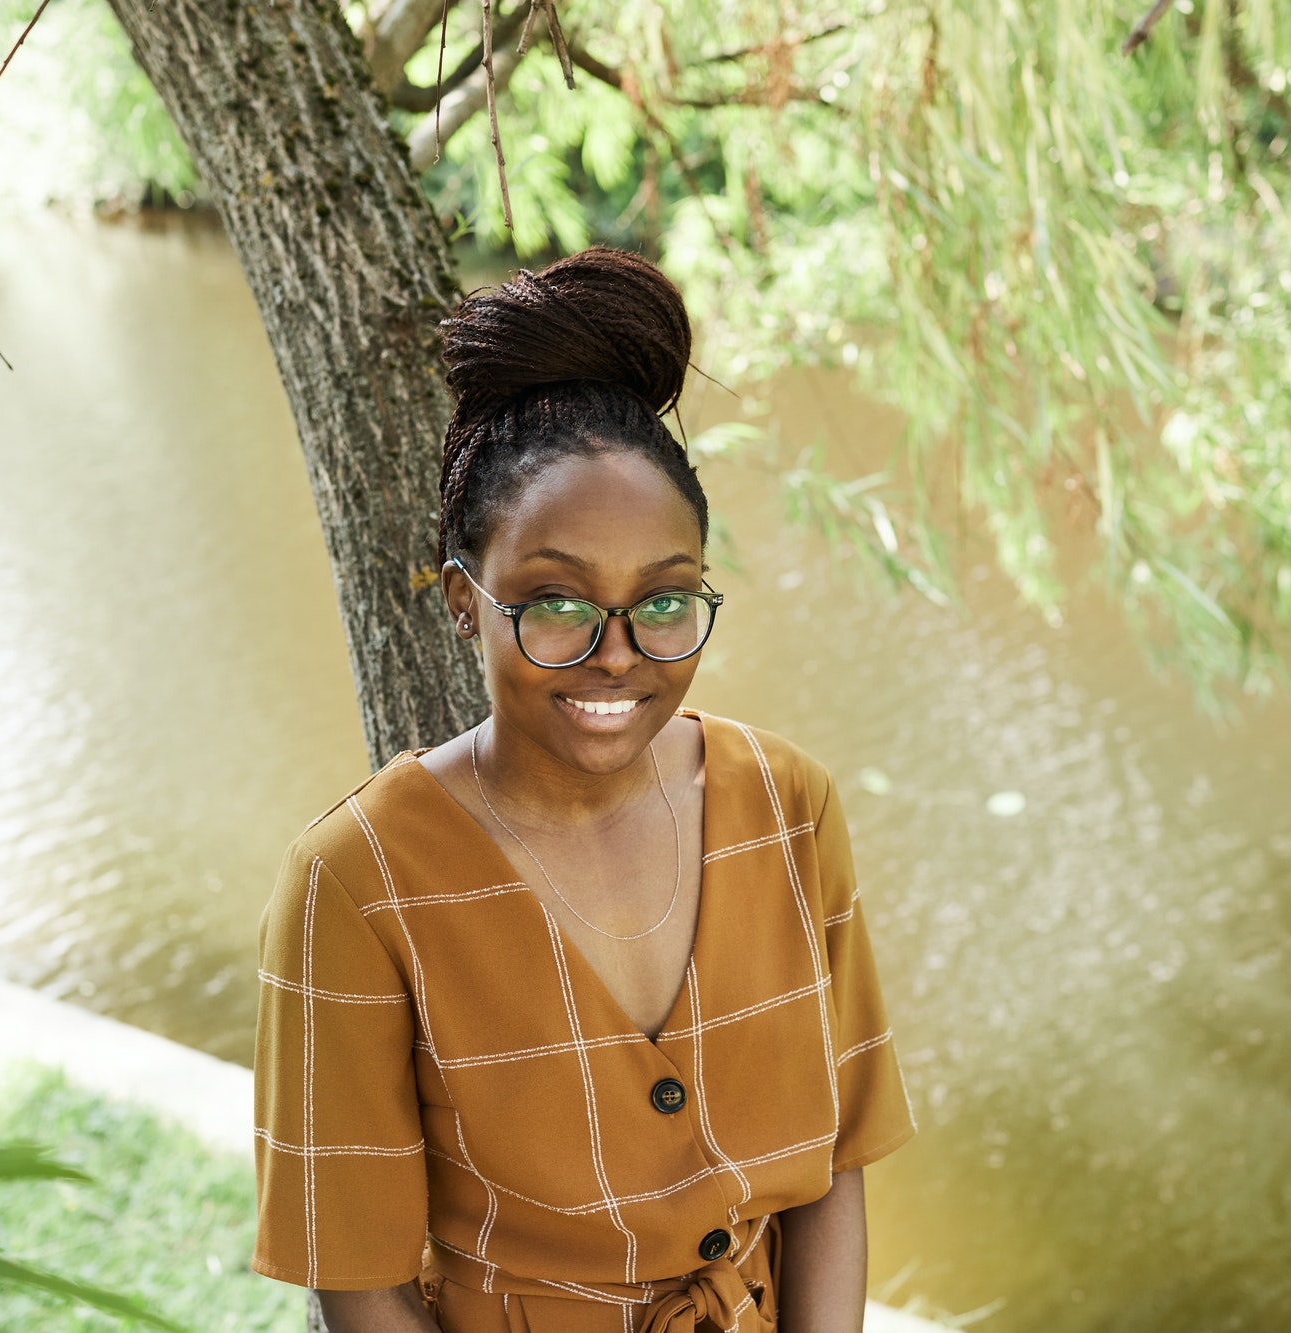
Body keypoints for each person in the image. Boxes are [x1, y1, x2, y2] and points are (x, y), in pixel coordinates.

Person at [251, 248, 915, 1333]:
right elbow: (360, 1284)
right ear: (465, 600)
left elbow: (834, 1168)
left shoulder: (787, 805)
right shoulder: (355, 886)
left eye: (662, 602)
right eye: (555, 602)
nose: (617, 655)